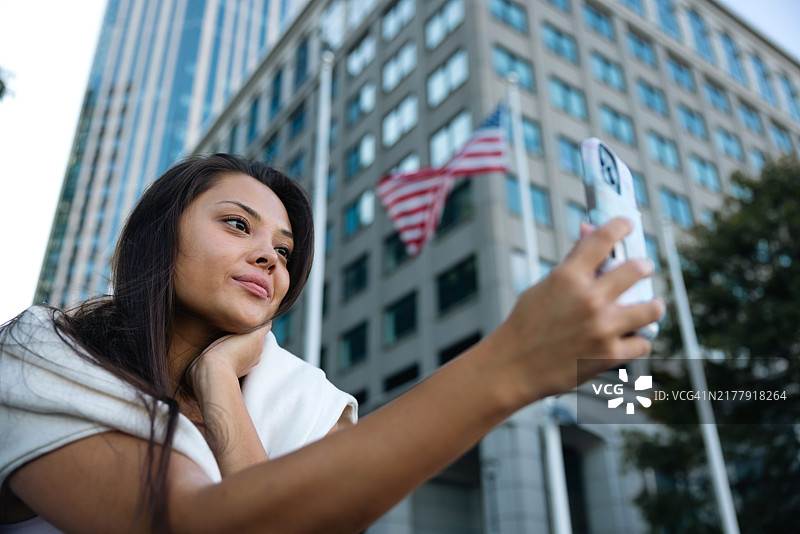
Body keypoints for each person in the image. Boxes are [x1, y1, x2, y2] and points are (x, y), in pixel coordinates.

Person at [0, 153, 664, 533]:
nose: (269, 258)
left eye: (285, 252)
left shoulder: (308, 397)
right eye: (238, 225)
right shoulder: (44, 352)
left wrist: (220, 392)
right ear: (159, 235)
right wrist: (511, 361)